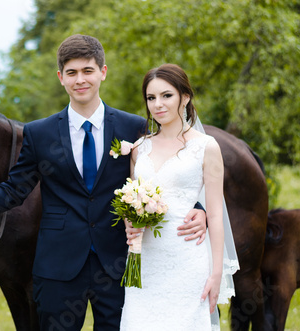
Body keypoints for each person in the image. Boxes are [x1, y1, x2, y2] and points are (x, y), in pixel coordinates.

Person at [0, 35, 207, 330]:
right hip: (57, 268)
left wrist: (199, 208)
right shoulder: (39, 133)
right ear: (61, 77)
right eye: (71, 72)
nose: (80, 80)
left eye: (87, 71)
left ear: (103, 72)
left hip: (118, 264)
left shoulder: (132, 126)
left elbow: (159, 176)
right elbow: (13, 190)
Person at [120, 63, 228, 330]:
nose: (158, 104)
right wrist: (129, 222)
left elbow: (215, 214)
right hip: (144, 259)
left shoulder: (206, 147)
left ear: (185, 97)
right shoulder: (139, 148)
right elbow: (130, 199)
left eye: (166, 95)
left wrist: (216, 274)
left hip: (186, 257)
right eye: (151, 97)